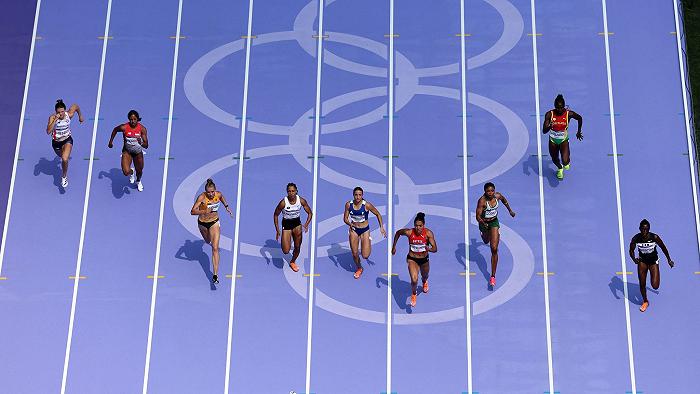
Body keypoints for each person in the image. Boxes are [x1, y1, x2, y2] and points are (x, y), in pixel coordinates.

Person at [190, 178, 232, 284]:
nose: (211, 194)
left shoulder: (218, 194)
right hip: (203, 224)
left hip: (214, 222)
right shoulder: (202, 198)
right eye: (208, 192)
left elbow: (222, 198)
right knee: (208, 241)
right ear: (205, 192)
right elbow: (192, 211)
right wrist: (204, 210)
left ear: (215, 190)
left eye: (212, 192)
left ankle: (215, 275)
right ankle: (208, 237)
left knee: (215, 248)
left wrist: (226, 207)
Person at [391, 212, 437, 307]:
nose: (418, 228)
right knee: (414, 279)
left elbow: (435, 248)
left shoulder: (428, 233)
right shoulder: (409, 232)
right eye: (416, 226)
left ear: (423, 225)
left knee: (425, 275)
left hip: (424, 260)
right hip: (412, 259)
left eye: (420, 226)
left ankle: (424, 282)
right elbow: (398, 233)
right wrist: (394, 246)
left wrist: (429, 249)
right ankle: (414, 294)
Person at [628, 219, 674, 312]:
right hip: (642, 262)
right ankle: (645, 301)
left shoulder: (654, 237)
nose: (644, 231)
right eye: (643, 229)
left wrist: (669, 260)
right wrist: (634, 259)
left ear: (649, 229)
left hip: (653, 262)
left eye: (646, 229)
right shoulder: (636, 238)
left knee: (655, 285)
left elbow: (663, 247)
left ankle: (653, 275)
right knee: (642, 284)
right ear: (640, 228)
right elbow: (631, 250)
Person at [475, 182, 515, 288]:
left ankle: (492, 276)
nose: (490, 193)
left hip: (494, 223)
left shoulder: (498, 196)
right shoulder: (482, 201)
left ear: (494, 190)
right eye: (488, 191)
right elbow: (477, 216)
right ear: (485, 191)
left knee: (494, 248)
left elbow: (504, 200)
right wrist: (483, 223)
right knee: (485, 241)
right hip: (484, 224)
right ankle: (485, 234)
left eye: (492, 190)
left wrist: (510, 211)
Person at [343, 187, 386, 279]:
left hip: (364, 230)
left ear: (362, 196)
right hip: (354, 230)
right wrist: (349, 224)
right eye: (356, 195)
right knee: (354, 254)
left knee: (365, 256)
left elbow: (378, 214)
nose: (358, 197)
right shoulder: (348, 205)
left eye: (360, 195)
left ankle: (367, 240)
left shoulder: (367, 205)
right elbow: (345, 218)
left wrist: (381, 227)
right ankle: (359, 268)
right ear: (353, 195)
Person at [542, 94, 583, 180]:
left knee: (565, 162)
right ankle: (560, 169)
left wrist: (578, 131)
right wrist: (550, 126)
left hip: (563, 139)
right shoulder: (549, 114)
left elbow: (579, 118)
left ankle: (566, 161)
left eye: (561, 108)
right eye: (557, 108)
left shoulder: (569, 114)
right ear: (555, 107)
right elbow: (544, 131)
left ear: (564, 106)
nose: (559, 110)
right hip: (553, 140)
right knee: (554, 158)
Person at [273, 183, 312, 272]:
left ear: (296, 191)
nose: (291, 193)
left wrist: (306, 224)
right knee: (286, 251)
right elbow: (275, 215)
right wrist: (277, 230)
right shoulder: (283, 202)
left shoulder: (301, 201)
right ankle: (288, 239)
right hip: (286, 225)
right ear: (287, 192)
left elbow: (310, 213)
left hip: (297, 224)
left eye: (293, 191)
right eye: (289, 191)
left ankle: (293, 261)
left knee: (297, 247)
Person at [46, 99, 83, 188]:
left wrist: (80, 116)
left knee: (65, 158)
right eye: (59, 112)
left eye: (62, 111)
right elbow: (48, 131)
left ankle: (64, 176)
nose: (61, 114)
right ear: (56, 112)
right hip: (56, 143)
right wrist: (55, 120)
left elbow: (75, 105)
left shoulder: (68, 115)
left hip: (67, 140)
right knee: (61, 156)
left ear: (65, 110)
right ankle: (63, 158)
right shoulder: (52, 117)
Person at [108, 110, 149, 191]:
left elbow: (146, 145)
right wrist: (110, 142)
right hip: (127, 152)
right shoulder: (124, 127)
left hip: (138, 153)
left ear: (137, 119)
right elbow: (115, 130)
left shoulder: (142, 129)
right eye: (131, 119)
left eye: (134, 119)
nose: (132, 121)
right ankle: (131, 172)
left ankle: (138, 181)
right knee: (126, 172)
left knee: (139, 171)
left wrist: (140, 142)